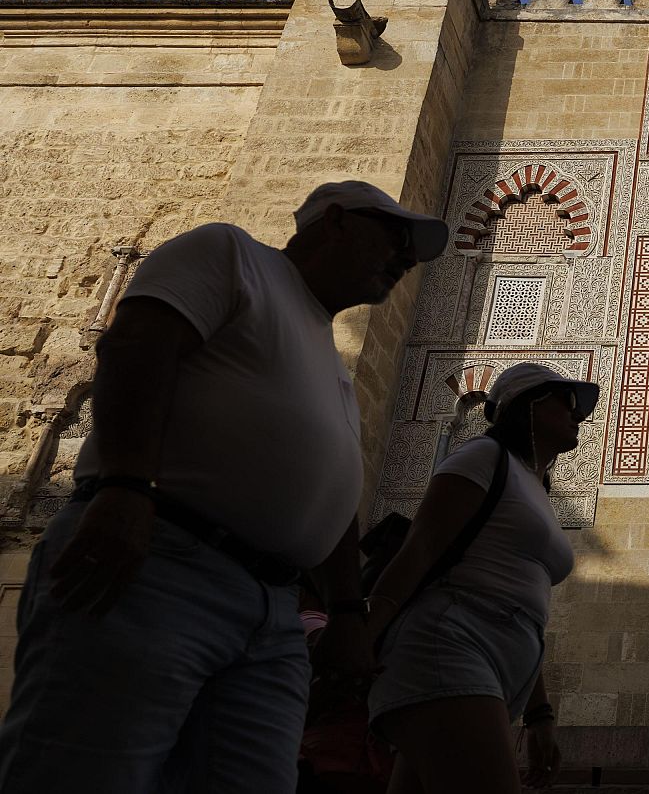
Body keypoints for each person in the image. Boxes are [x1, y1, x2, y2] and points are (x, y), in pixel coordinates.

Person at [0, 180, 448, 793]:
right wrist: (125, 485)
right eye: (396, 237)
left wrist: (346, 611)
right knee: (88, 768)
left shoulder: (325, 354)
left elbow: (333, 490)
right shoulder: (233, 256)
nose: (406, 259)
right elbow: (137, 344)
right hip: (163, 562)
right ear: (336, 220)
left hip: (272, 611)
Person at [358, 362, 592, 794]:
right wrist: (361, 634)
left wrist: (539, 713)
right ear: (530, 404)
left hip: (494, 666)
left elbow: (520, 605)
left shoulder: (535, 488)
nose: (578, 412)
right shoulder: (483, 456)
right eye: (568, 400)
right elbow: (421, 549)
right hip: (449, 645)